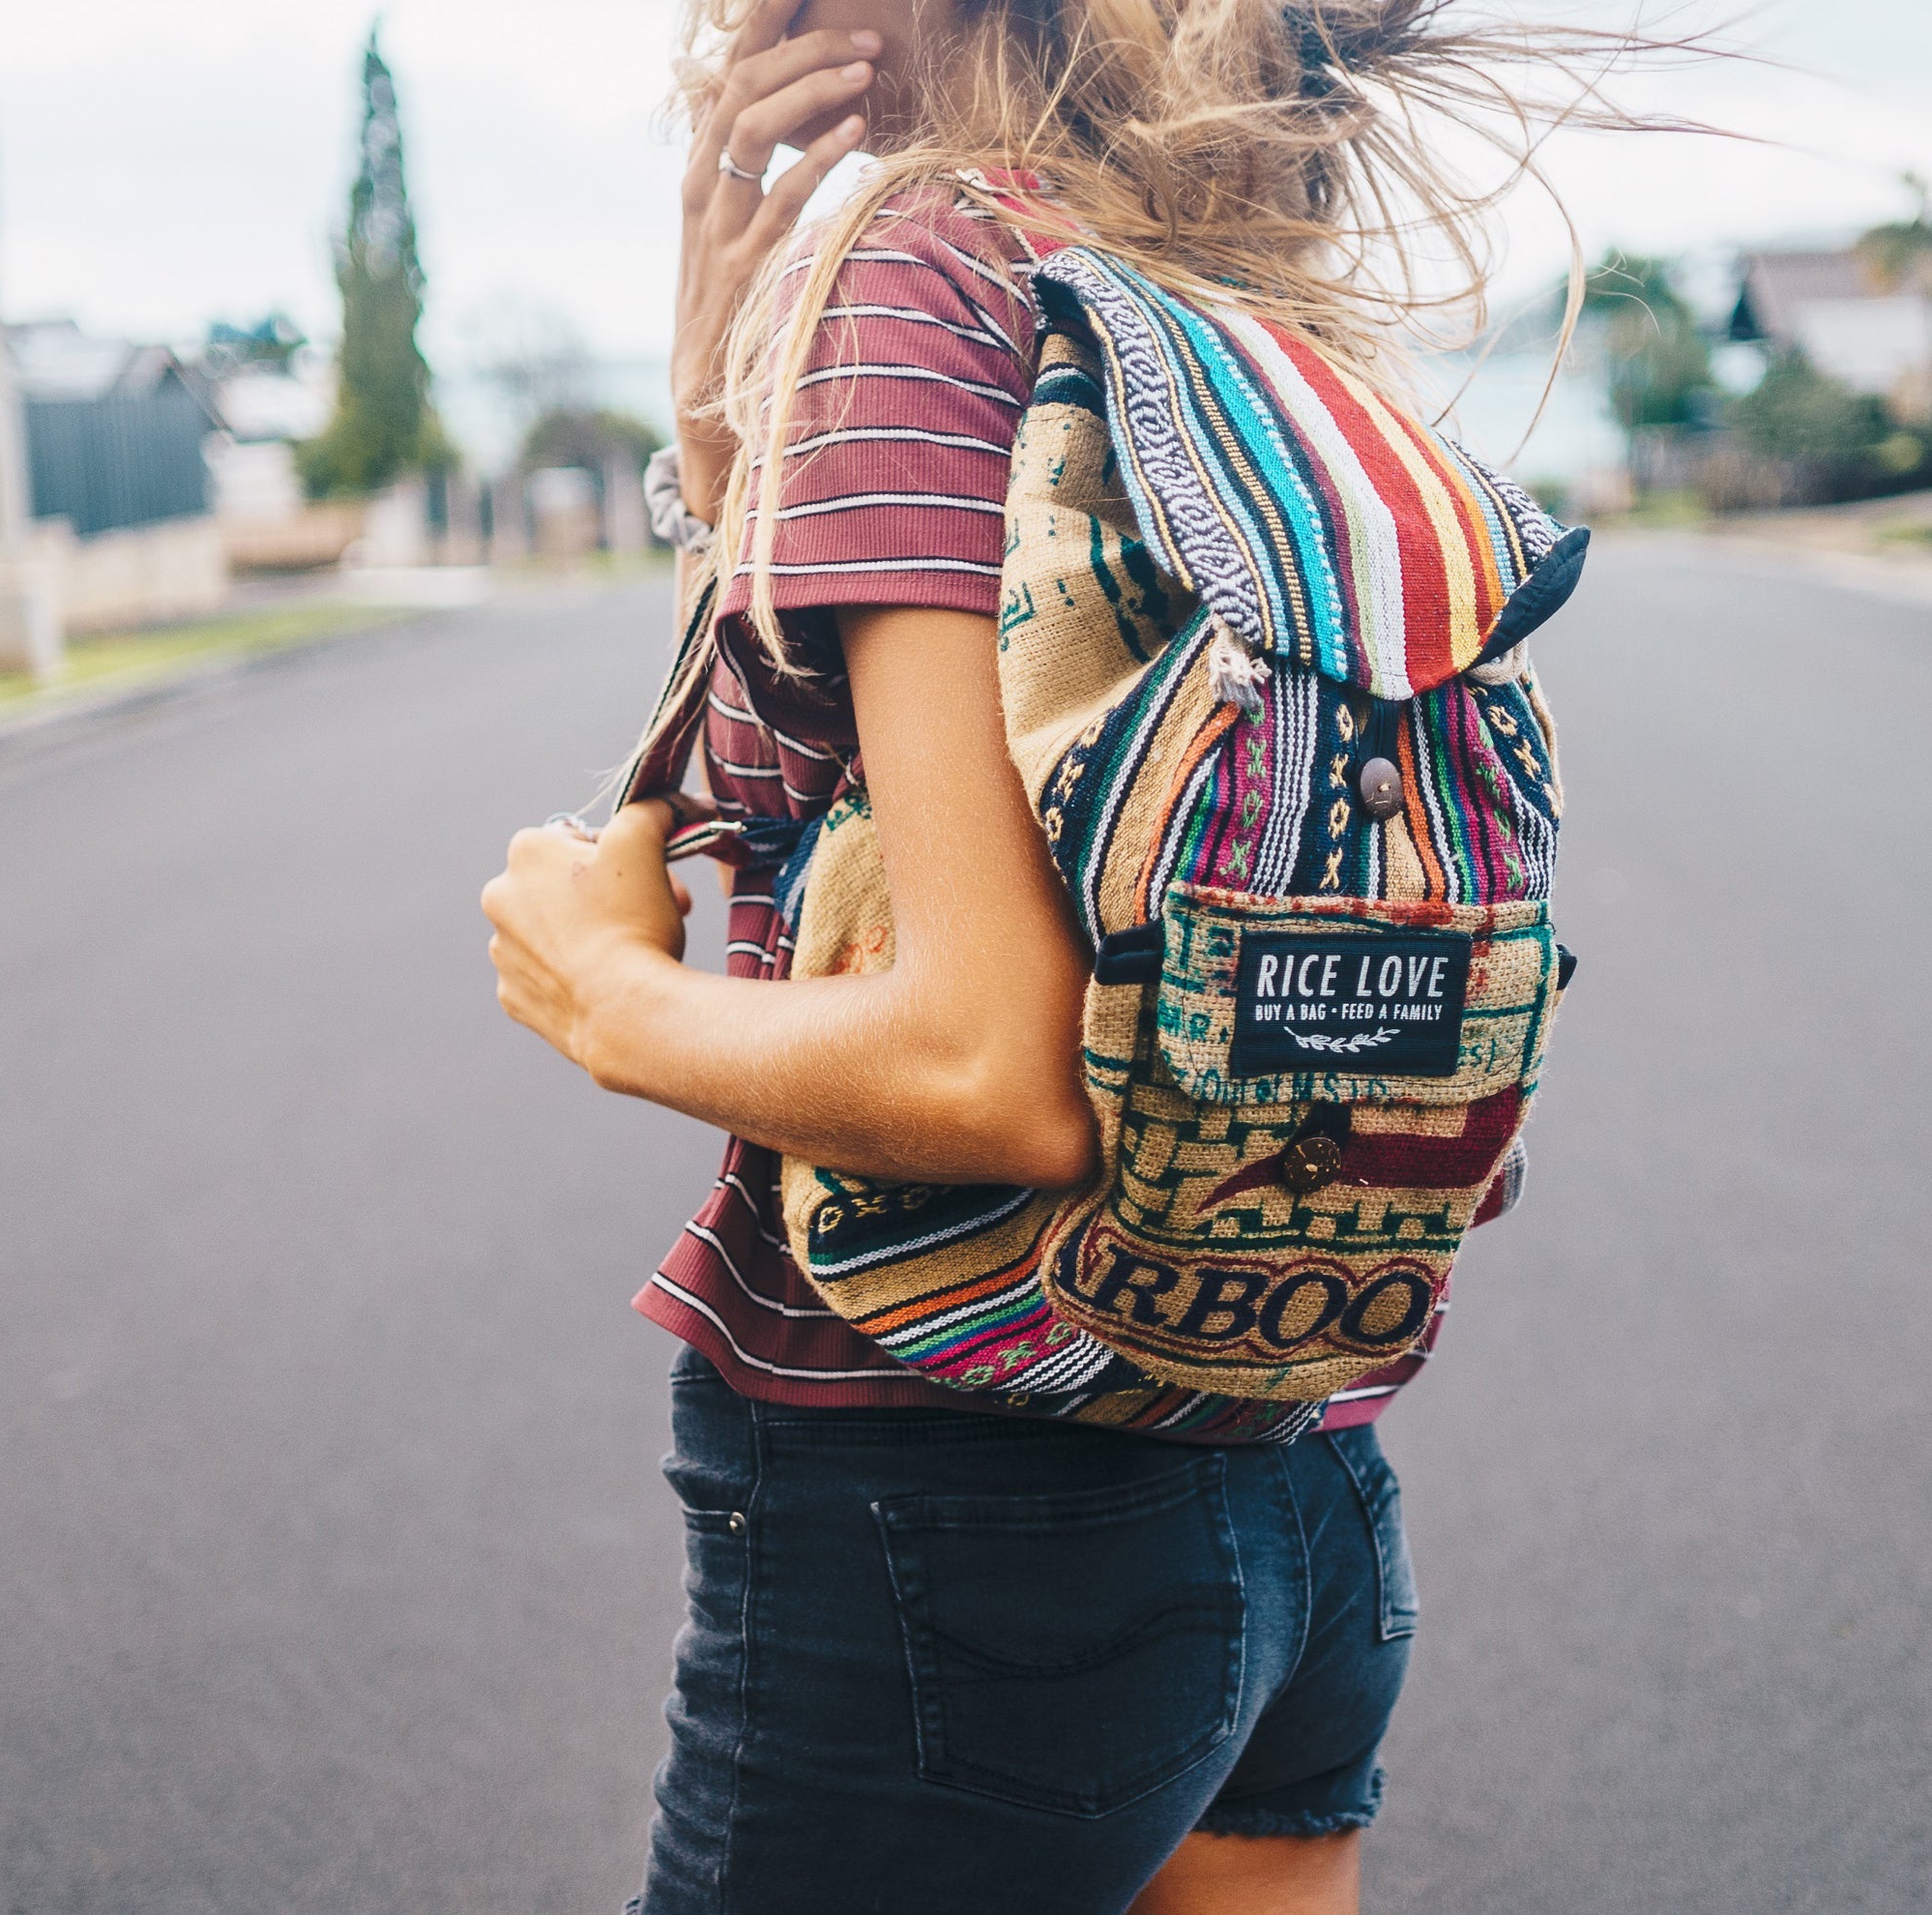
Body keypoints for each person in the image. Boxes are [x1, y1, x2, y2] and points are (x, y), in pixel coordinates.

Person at [482, 1, 1639, 1906]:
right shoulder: (1220, 270)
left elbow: (985, 1063)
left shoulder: (923, 257)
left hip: (949, 1499)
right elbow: (891, 790)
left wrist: (606, 996)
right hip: (1297, 1470)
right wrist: (719, 412)